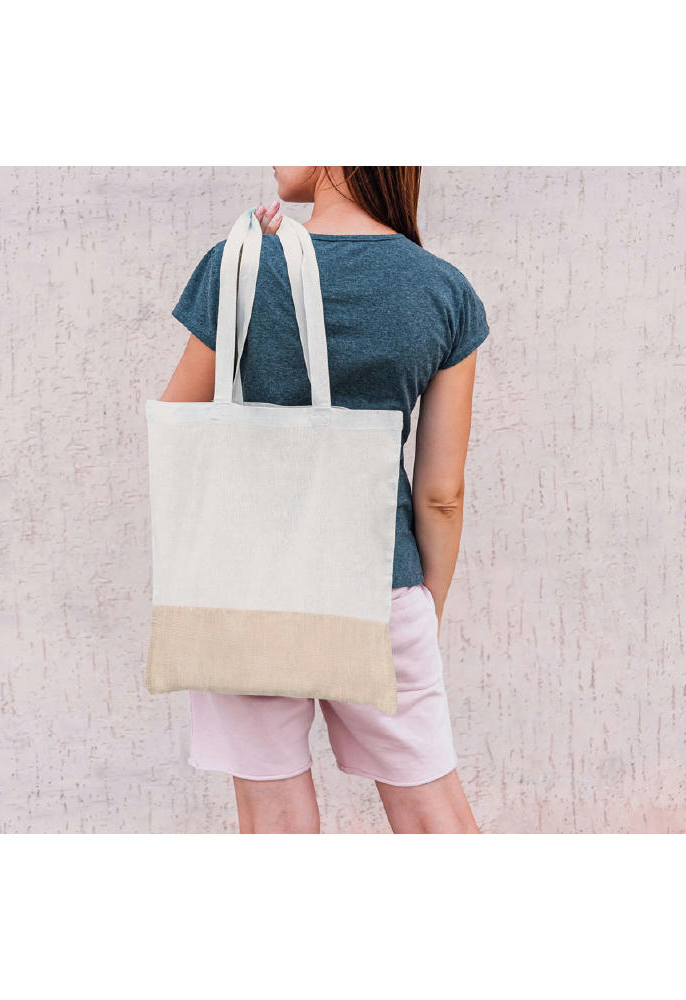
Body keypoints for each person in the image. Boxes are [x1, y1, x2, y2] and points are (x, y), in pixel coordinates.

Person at [159, 166, 490, 834]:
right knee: (435, 819)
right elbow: (441, 494)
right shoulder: (442, 290)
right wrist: (421, 609)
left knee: (275, 822)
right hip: (380, 589)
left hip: (246, 594)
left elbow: (177, 426)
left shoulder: (240, 264)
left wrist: (251, 282)